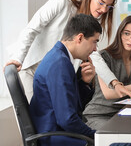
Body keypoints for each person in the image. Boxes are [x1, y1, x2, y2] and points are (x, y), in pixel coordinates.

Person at [4, 0, 131, 101]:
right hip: (30, 67)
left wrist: (114, 83)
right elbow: (32, 29)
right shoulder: (61, 2)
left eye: (109, 6)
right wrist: (18, 58)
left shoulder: (89, 23)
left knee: (48, 120)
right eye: (101, 2)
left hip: (54, 75)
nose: (104, 9)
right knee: (32, 121)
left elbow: (94, 55)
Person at [29, 14, 101, 146]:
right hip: (56, 136)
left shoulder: (59, 57)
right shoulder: (60, 63)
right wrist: (95, 136)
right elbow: (67, 119)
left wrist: (84, 83)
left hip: (58, 132)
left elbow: (71, 105)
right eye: (94, 41)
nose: (95, 48)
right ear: (80, 38)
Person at [84, 15, 131, 130]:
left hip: (124, 115)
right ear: (120, 34)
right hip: (98, 115)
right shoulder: (104, 57)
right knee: (125, 139)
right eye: (127, 33)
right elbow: (109, 94)